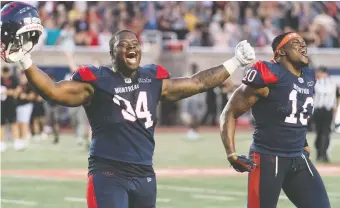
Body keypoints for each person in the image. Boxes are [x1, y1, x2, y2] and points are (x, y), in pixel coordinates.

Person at [0, 2, 255, 208]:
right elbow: (54, 92)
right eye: (125, 45)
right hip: (108, 174)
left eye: (135, 44)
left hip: (145, 174)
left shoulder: (152, 78)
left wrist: (234, 62)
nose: (132, 47)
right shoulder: (97, 81)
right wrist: (26, 62)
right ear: (113, 54)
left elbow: (197, 82)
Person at [220, 32, 330, 208]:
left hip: (298, 157)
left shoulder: (308, 76)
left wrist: (303, 141)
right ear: (280, 52)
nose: (303, 46)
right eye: (296, 43)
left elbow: (295, 113)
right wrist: (231, 154)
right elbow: (229, 112)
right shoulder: (267, 75)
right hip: (269, 158)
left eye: (303, 43)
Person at [313, 66, 339, 163]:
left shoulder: (316, 82)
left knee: (321, 132)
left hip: (320, 110)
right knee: (324, 132)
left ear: (323, 73)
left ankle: (321, 154)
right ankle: (322, 154)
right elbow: (336, 97)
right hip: (326, 110)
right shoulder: (333, 83)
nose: (317, 74)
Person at [1, 66, 20, 151]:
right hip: (2, 104)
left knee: (13, 123)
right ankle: (1, 143)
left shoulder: (13, 79)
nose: (6, 74)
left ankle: (16, 141)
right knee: (1, 124)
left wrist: (7, 92)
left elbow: (17, 90)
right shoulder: (0, 79)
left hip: (11, 104)